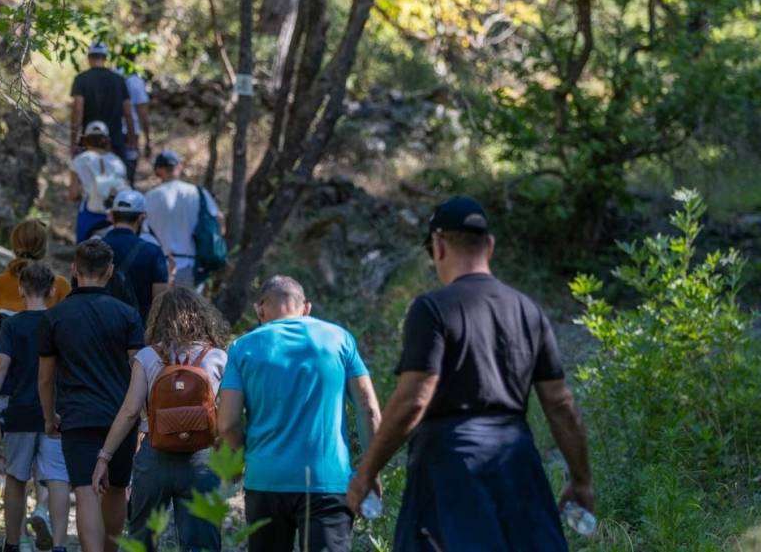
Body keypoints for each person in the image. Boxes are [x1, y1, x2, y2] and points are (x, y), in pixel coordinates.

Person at [346, 196, 594, 552]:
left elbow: (414, 399)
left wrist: (366, 472)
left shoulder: (431, 308)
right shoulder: (528, 310)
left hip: (450, 467)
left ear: (440, 245)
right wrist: (581, 479)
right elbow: (560, 404)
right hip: (516, 461)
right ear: (489, 246)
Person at [217, 276, 382, 552]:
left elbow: (227, 423)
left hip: (265, 481)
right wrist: (371, 471)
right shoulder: (339, 338)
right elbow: (369, 409)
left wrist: (243, 458)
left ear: (260, 310)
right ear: (307, 308)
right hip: (328, 481)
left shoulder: (242, 347)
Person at [93, 287, 229, 551]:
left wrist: (104, 457)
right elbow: (226, 414)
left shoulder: (147, 356)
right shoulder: (218, 357)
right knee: (202, 543)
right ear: (202, 317)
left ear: (160, 319)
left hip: (154, 455)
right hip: (201, 459)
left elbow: (130, 411)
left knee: (143, 538)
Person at [38, 240, 145, 552]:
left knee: (85, 491)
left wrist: (49, 417)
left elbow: (45, 378)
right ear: (110, 271)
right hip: (121, 417)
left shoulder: (54, 317)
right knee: (117, 488)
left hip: (76, 415)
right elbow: (138, 368)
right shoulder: (127, 315)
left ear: (74, 269)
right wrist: (144, 414)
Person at [0, 219, 71, 549]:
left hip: (15, 402)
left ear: (21, 289)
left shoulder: (0, 294)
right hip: (55, 406)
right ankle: (57, 539)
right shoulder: (60, 300)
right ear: (50, 291)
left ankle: (13, 543)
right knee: (57, 474)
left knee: (16, 475)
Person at [144, 150, 223, 288]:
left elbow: (144, 233)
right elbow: (219, 220)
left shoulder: (149, 197)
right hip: (191, 266)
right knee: (190, 309)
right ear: (179, 166)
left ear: (158, 170)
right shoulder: (198, 193)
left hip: (160, 268)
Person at [100, 190, 169, 323]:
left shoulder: (93, 248)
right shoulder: (153, 252)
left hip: (99, 328)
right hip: (137, 330)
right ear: (141, 218)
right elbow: (160, 301)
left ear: (112, 216)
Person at [70, 41, 136, 162]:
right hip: (115, 140)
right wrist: (132, 140)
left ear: (89, 57)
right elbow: (128, 113)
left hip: (90, 140)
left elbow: (77, 111)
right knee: (118, 177)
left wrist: (73, 141)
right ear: (105, 58)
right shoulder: (119, 80)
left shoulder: (81, 79)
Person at [70, 121, 130, 243]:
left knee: (84, 252)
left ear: (86, 139)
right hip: (114, 214)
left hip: (89, 213)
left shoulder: (79, 161)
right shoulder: (117, 162)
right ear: (106, 140)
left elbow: (73, 193)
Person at [116, 51, 153, 186]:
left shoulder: (112, 75)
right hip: (131, 134)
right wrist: (148, 139)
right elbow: (142, 112)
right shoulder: (136, 80)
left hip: (112, 130)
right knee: (129, 174)